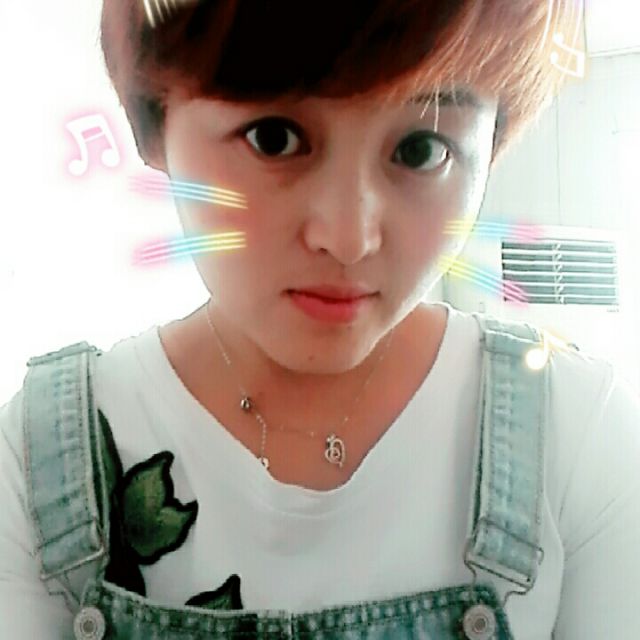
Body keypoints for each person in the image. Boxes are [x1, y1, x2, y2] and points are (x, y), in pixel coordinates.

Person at [1, 1, 639, 638]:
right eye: (273, 138)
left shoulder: (575, 431)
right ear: (154, 126)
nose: (350, 238)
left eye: (421, 149)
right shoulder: (39, 460)